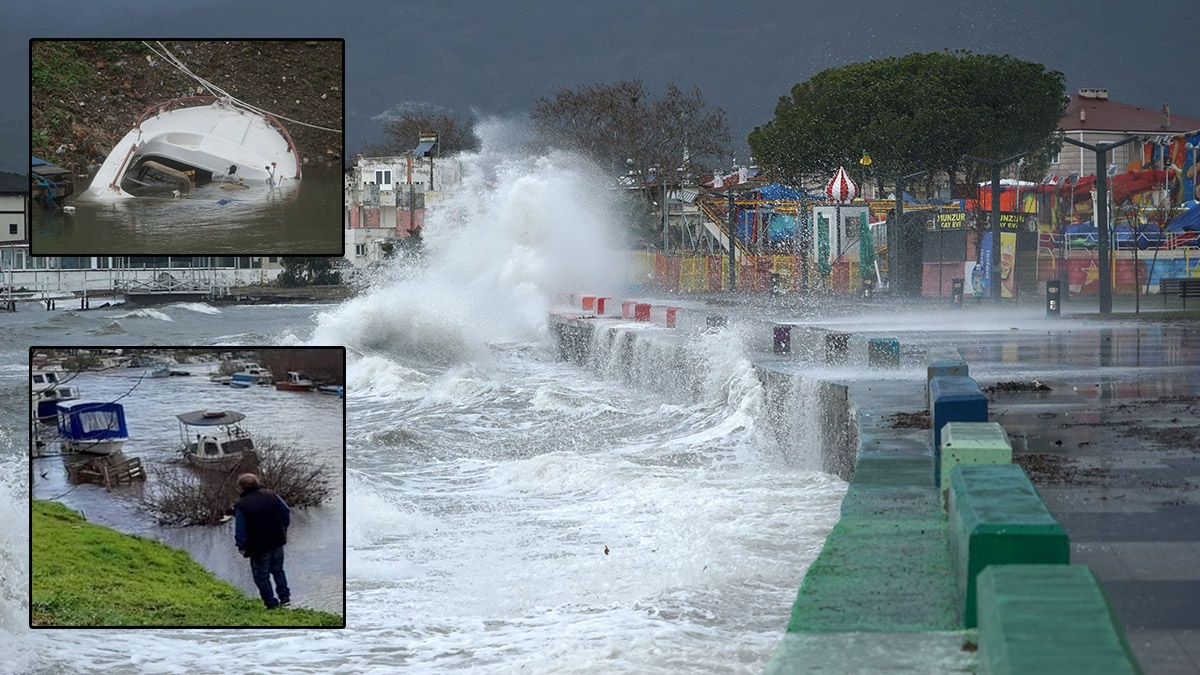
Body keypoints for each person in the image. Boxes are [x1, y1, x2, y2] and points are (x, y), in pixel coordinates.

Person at [234, 473, 292, 609]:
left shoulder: (241, 505)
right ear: (257, 482)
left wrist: (241, 546)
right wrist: (284, 528)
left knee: (261, 576)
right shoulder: (272, 495)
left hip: (258, 545)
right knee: (278, 570)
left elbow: (240, 529)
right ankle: (285, 599)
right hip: (278, 540)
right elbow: (286, 511)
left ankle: (271, 604)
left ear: (241, 487)